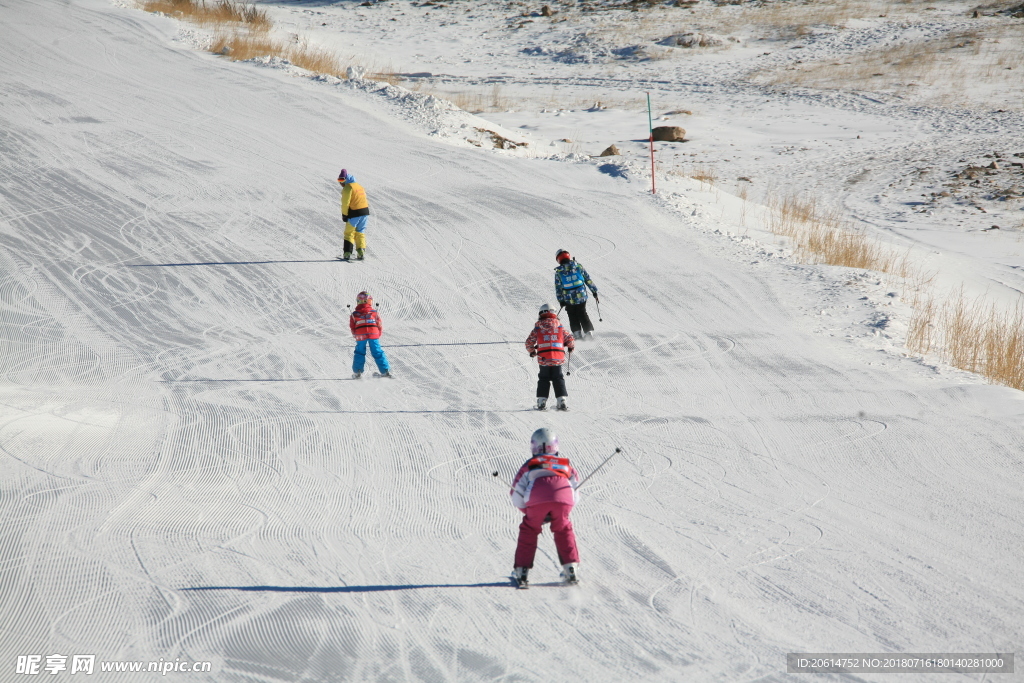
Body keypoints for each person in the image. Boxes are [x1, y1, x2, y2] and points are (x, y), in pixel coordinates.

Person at [510, 428, 581, 587]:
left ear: (533, 446)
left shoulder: (530, 465)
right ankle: (571, 568)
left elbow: (516, 492)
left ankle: (522, 570)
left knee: (529, 528)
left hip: (536, 499)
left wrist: (528, 511)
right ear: (555, 445)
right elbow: (575, 488)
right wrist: (564, 510)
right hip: (563, 497)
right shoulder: (565, 464)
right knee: (563, 528)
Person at [525, 303, 575, 411]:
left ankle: (542, 401)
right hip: (558, 357)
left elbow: (529, 342)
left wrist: (532, 351)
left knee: (543, 378)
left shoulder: (538, 327)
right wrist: (570, 347)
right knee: (558, 377)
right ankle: (562, 400)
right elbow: (570, 339)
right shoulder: (560, 326)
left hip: (544, 358)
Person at [554, 249, 599, 340]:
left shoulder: (559, 272)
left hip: (568, 298)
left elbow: (558, 288)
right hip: (581, 296)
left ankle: (577, 334)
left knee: (572, 315)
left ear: (558, 259)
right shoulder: (578, 266)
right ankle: (589, 332)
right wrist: (594, 291)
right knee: (582, 313)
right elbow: (587, 279)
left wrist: (561, 300)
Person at [349, 291, 391, 378]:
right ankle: (385, 371)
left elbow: (352, 326)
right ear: (369, 301)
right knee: (377, 351)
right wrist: (378, 333)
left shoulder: (354, 314)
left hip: (360, 334)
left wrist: (355, 334)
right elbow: (379, 323)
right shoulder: (374, 312)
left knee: (360, 351)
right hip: (373, 333)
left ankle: (358, 372)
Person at [338, 169, 371, 261]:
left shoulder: (348, 187)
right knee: (360, 231)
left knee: (349, 233)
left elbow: (345, 202)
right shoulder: (359, 186)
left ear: (346, 179)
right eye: (339, 180)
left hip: (354, 213)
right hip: (364, 212)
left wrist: (344, 214)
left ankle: (347, 253)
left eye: (341, 180)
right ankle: (361, 252)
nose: (340, 183)